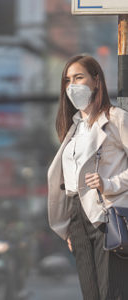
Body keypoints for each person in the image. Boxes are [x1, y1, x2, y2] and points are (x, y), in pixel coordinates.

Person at [47, 54, 128, 300]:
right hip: (76, 218)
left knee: (110, 292)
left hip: (108, 214)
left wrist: (109, 183)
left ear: (96, 81)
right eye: (68, 80)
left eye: (79, 77)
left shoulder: (115, 118)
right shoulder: (73, 128)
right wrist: (69, 228)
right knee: (90, 294)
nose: (72, 85)